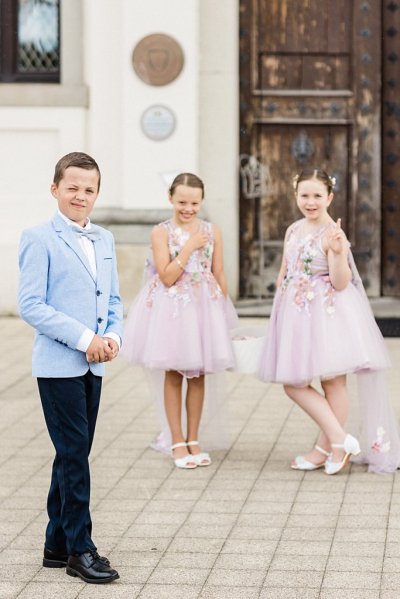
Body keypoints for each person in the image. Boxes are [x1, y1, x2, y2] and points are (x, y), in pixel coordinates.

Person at [18, 152, 123, 583]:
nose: (81, 196)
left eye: (89, 189)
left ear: (97, 193)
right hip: (60, 365)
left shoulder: (105, 240)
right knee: (76, 456)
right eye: (73, 187)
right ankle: (81, 549)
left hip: (94, 366)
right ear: (55, 188)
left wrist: (114, 338)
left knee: (71, 454)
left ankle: (56, 544)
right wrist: (85, 339)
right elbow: (30, 305)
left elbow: (112, 300)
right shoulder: (38, 237)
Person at [258, 167, 400, 474]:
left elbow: (340, 282)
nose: (311, 202)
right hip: (297, 315)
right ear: (295, 196)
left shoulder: (333, 234)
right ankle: (339, 439)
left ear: (329, 197)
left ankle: (327, 449)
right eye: (304, 195)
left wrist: (337, 252)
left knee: (332, 381)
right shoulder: (293, 229)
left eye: (317, 196)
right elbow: (285, 271)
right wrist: (279, 312)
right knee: (294, 383)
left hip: (329, 314)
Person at [121, 173, 238, 468]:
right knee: (174, 374)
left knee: (198, 374)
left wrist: (222, 308)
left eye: (195, 203)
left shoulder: (213, 231)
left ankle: (193, 438)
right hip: (173, 310)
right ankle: (176, 439)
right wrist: (188, 248)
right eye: (182, 202)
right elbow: (168, 276)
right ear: (170, 198)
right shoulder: (161, 232)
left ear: (202, 201)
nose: (188, 208)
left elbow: (219, 271)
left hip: (204, 309)